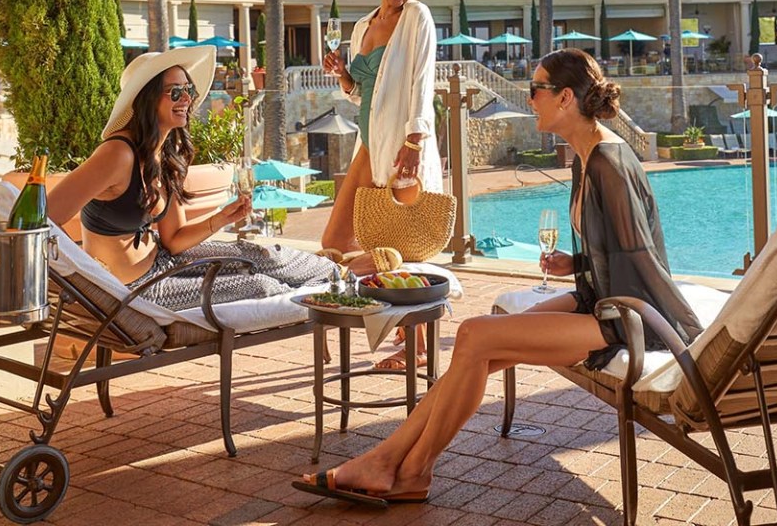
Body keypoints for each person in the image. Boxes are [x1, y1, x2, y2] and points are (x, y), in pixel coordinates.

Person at [295, 48, 701, 507]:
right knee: (474, 344)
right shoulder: (585, 157)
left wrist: (663, 328)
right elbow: (617, 252)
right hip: (601, 301)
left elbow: (642, 259)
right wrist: (579, 263)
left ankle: (397, 467)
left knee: (474, 336)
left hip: (628, 321)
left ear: (565, 97)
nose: (530, 100)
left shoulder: (608, 163)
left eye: (536, 90)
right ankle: (399, 467)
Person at [47, 46, 336, 310]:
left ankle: (338, 275)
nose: (187, 99)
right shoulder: (117, 155)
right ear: (146, 99)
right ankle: (325, 296)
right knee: (260, 286)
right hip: (133, 290)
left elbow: (173, 240)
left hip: (164, 260)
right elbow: (44, 217)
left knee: (260, 256)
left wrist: (221, 218)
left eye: (188, 90)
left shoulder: (166, 153)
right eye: (175, 92)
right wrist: (86, 275)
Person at [320, 0, 442, 370]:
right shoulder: (360, 27)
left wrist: (414, 142)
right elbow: (360, 94)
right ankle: (375, 320)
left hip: (403, 144)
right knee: (336, 240)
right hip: (370, 142)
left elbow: (421, 83)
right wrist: (342, 75)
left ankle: (415, 346)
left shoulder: (418, 18)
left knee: (403, 243)